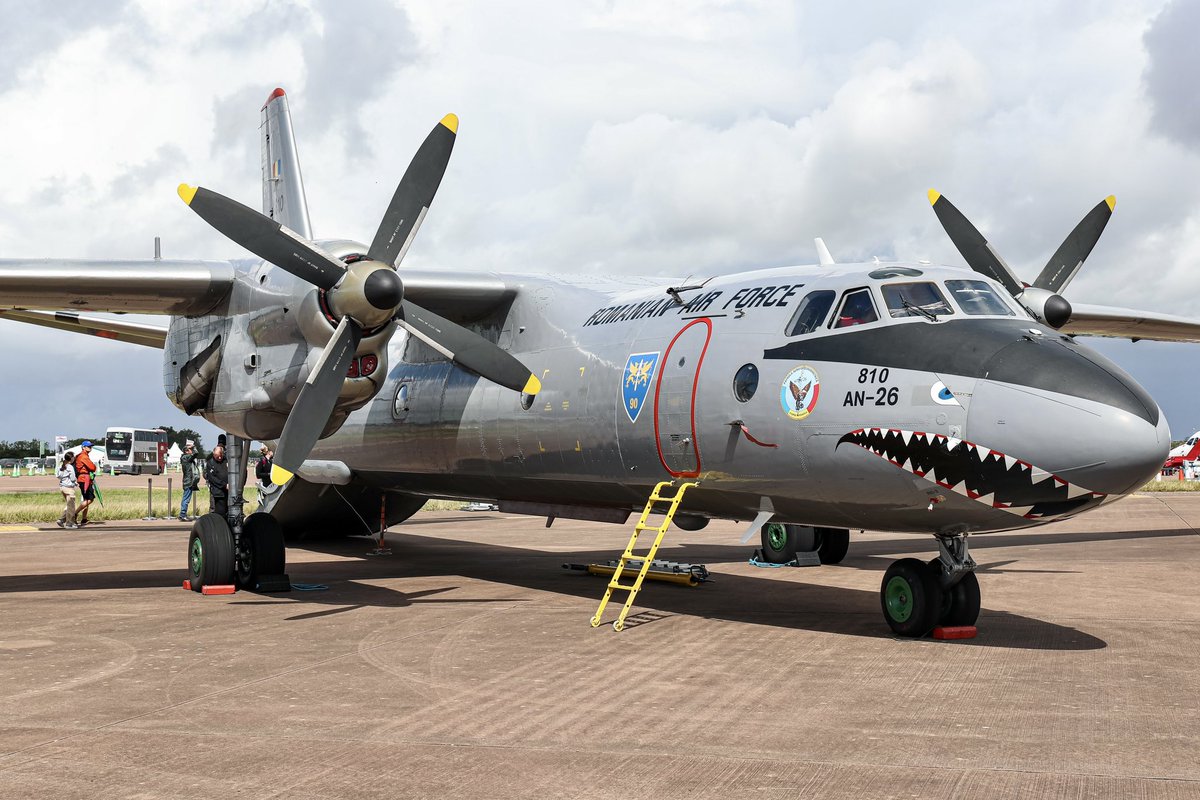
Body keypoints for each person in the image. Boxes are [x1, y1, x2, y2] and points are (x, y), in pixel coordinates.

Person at [73, 441, 98, 526]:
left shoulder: (83, 455)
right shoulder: (83, 456)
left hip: (84, 479)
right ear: (83, 447)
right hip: (84, 479)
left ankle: (84, 519)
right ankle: (74, 514)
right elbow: (92, 467)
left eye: (91, 447)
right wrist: (94, 466)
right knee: (90, 499)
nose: (90, 448)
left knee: (86, 499)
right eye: (88, 446)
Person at [204, 444, 230, 518]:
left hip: (229, 492)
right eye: (217, 456)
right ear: (213, 454)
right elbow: (213, 479)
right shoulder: (210, 463)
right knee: (220, 513)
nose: (219, 457)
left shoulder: (226, 460)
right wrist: (224, 485)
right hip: (218, 493)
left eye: (221, 455)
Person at [56, 453, 78, 529]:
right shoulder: (70, 467)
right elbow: (72, 478)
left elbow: (57, 475)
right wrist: (74, 482)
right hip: (69, 488)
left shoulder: (60, 466)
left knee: (69, 505)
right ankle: (69, 524)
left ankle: (61, 519)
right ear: (71, 458)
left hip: (62, 487)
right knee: (71, 507)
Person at [179, 443, 200, 521]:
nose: (192, 451)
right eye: (190, 450)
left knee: (185, 498)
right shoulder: (187, 457)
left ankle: (183, 514)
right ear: (187, 451)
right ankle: (182, 514)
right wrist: (193, 446)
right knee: (186, 499)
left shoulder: (183, 458)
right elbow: (196, 453)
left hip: (186, 481)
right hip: (189, 481)